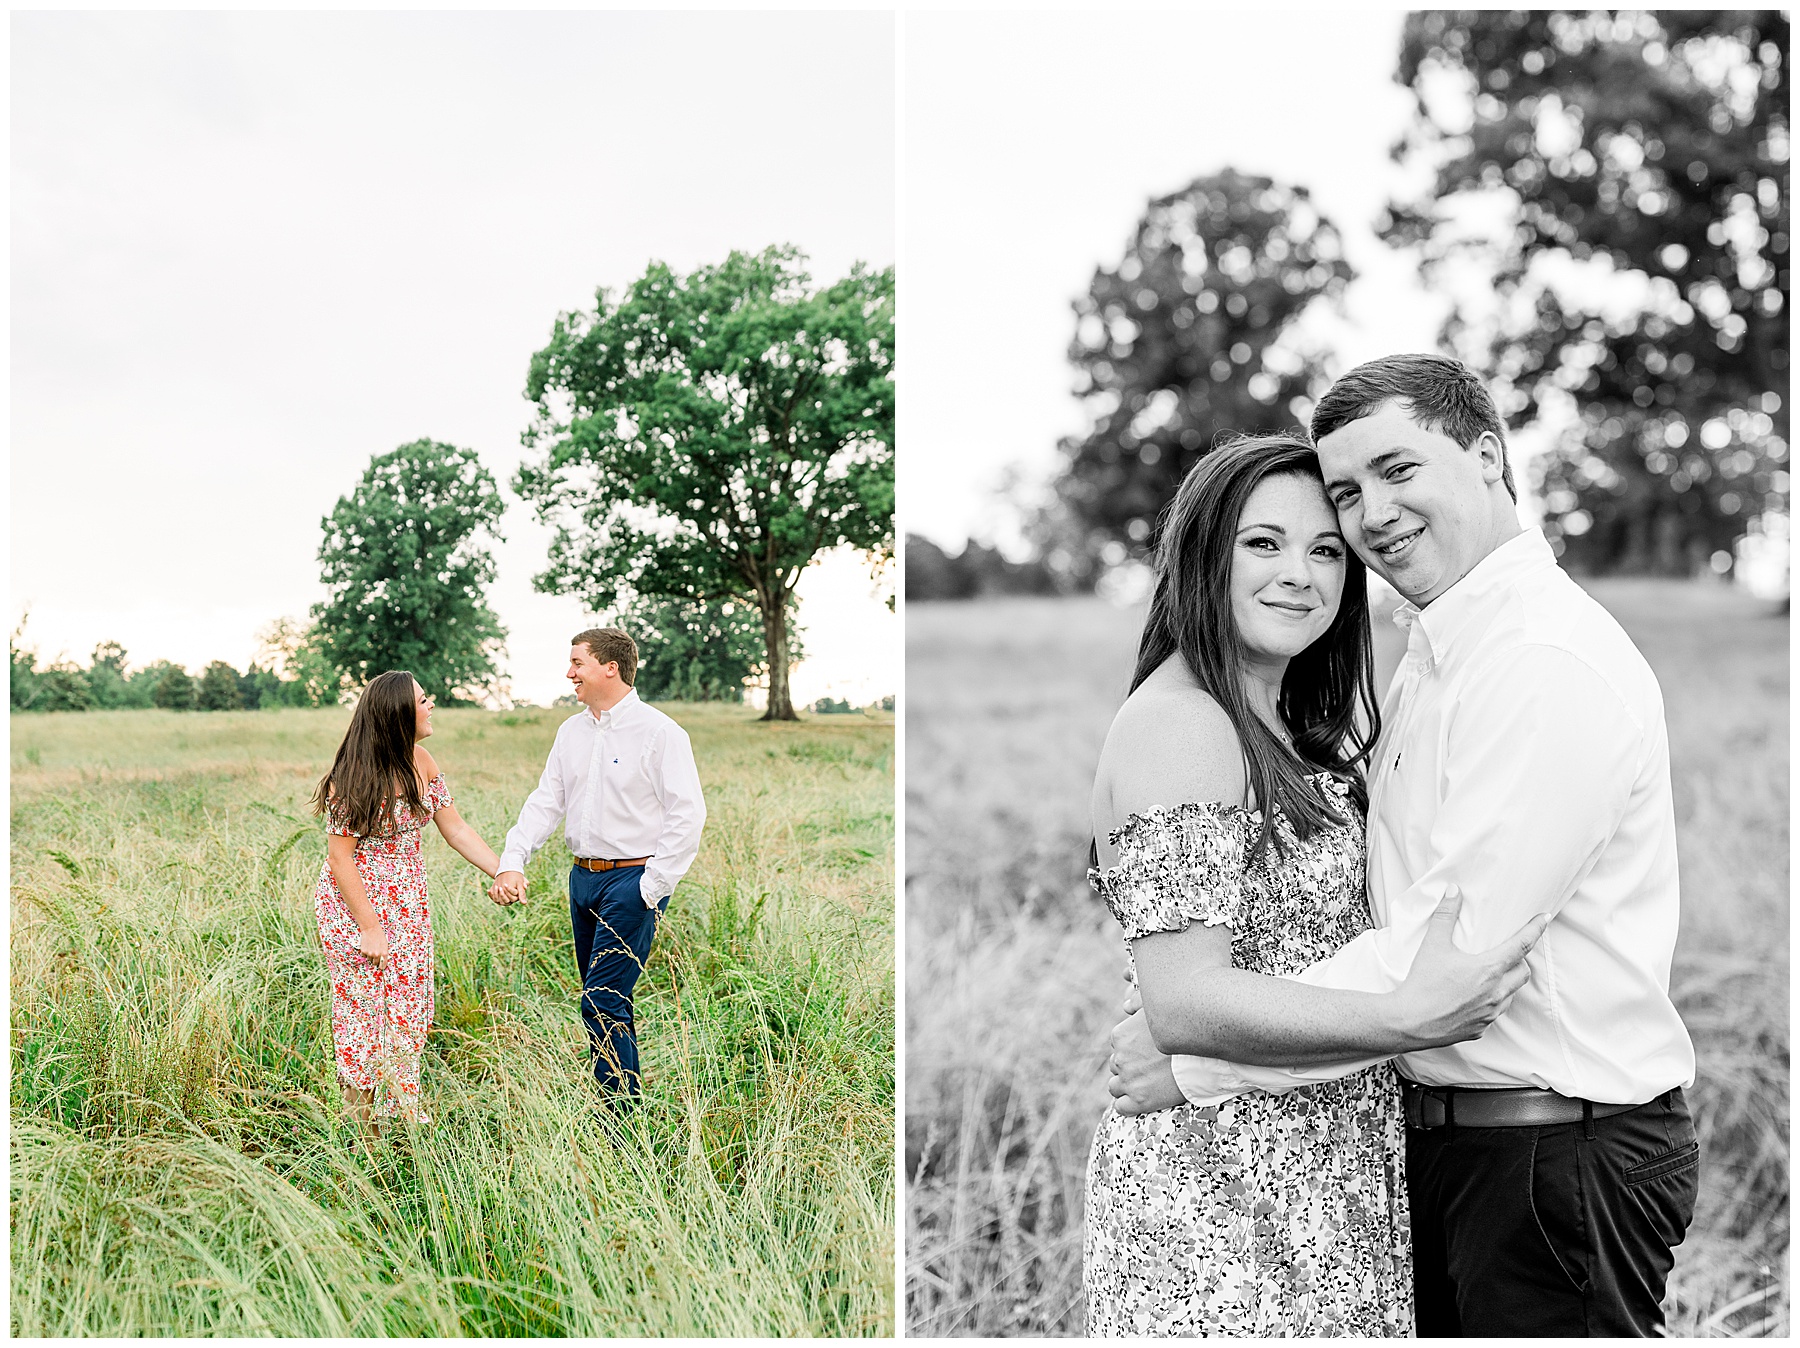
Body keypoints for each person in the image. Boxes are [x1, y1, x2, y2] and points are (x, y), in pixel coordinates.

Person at [1109, 355, 1699, 1337]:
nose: (1373, 515)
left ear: (1487, 456)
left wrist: (1198, 1063)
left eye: (1397, 469)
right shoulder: (1436, 653)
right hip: (1444, 1153)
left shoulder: (1539, 660)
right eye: (1347, 492)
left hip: (1552, 1155)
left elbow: (1448, 964)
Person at [1082, 432, 1548, 1337]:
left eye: (1327, 551)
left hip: (1325, 1174)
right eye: (1263, 543)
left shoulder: (1284, 724)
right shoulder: (1184, 724)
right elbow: (1183, 1002)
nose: (1300, 574)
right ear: (1201, 556)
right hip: (1226, 1199)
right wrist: (1408, 1018)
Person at [490, 628, 706, 1102]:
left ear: (611, 668)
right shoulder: (571, 732)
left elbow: (687, 813)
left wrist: (651, 887)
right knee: (604, 998)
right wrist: (513, 860)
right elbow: (546, 802)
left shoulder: (660, 732)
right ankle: (618, 1105)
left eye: (577, 663)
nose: (569, 673)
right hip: (582, 880)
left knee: (602, 1001)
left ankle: (619, 1122)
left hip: (632, 881)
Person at [313, 670, 509, 1129]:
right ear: (399, 713)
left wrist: (502, 870)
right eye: (423, 700)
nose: (431, 704)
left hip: (407, 906)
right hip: (355, 908)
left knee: (408, 1007)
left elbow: (455, 828)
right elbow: (340, 859)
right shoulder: (354, 775)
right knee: (363, 1015)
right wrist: (369, 927)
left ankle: (400, 1117)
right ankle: (361, 1135)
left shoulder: (422, 760)